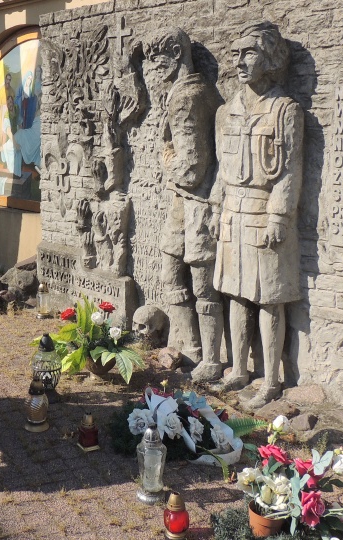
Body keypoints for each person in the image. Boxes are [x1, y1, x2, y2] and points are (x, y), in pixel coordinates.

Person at [210, 22, 304, 408]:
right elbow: (221, 167)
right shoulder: (225, 111)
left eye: (248, 53)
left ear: (270, 59)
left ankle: (271, 379)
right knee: (235, 293)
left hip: (265, 216)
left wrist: (279, 219)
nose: (239, 62)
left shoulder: (285, 110)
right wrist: (217, 208)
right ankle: (238, 370)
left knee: (269, 299)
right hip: (233, 213)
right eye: (235, 54)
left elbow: (289, 171)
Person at [143, 28, 224, 380]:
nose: (153, 69)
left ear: (177, 53)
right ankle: (189, 349)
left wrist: (165, 158)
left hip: (198, 202)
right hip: (182, 205)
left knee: (203, 286)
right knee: (171, 275)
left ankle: (211, 358)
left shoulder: (188, 97)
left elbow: (190, 169)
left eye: (158, 60)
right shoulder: (189, 92)